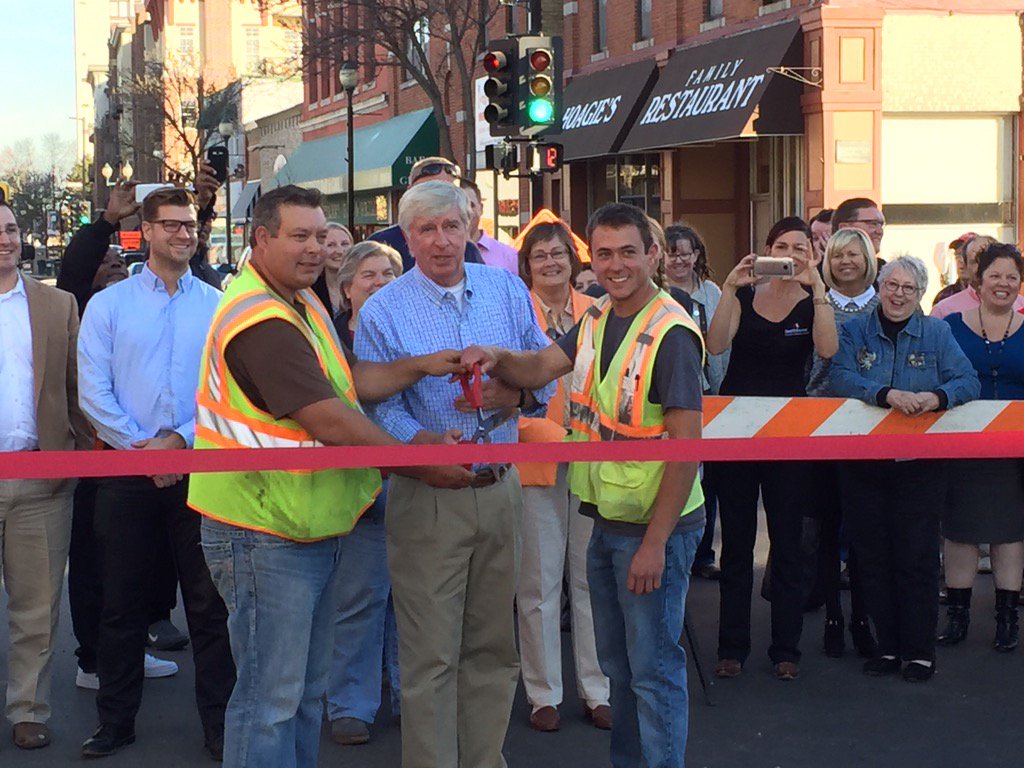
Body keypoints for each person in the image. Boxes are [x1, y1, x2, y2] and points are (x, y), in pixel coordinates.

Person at [188, 185, 473, 768]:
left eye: (321, 236)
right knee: (270, 702)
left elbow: (345, 386)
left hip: (300, 524)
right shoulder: (259, 317)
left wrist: (418, 366)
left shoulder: (298, 300)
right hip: (262, 530)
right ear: (260, 238)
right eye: (300, 236)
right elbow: (330, 420)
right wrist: (420, 463)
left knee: (299, 697)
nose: (316, 248)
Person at [461, 201, 706, 768]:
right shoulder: (596, 319)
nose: (615, 264)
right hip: (605, 515)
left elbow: (687, 450)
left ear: (654, 256)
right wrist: (495, 357)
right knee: (622, 670)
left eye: (627, 252)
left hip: (651, 528)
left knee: (652, 673)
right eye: (604, 253)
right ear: (589, 258)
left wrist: (655, 543)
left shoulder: (670, 333)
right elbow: (538, 368)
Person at [355, 181, 553, 768]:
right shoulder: (383, 308)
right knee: (431, 656)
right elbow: (372, 401)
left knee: (494, 648)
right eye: (426, 230)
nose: (441, 241)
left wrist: (514, 394)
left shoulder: (506, 289)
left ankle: (485, 760)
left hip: (500, 488)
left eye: (451, 226)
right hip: (427, 494)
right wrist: (418, 442)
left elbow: (541, 369)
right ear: (406, 237)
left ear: (471, 227)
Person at [76, 187, 236, 759]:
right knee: (119, 605)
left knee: (208, 607)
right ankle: (115, 722)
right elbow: (92, 391)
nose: (184, 234)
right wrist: (144, 449)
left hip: (196, 468)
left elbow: (222, 390)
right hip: (127, 473)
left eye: (190, 225)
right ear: (145, 231)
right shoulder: (109, 306)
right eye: (170, 225)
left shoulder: (217, 304)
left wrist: (178, 442)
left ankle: (219, 726)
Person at [829, 254, 980, 682]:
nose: (898, 295)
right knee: (872, 557)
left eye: (908, 289)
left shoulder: (937, 332)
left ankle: (919, 652)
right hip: (862, 464)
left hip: (920, 466)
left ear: (920, 295)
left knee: (916, 558)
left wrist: (937, 398)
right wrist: (883, 393)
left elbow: (966, 380)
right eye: (892, 286)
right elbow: (839, 376)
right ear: (880, 287)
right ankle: (888, 647)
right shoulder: (855, 330)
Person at [706, 216, 838, 681]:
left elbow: (826, 350)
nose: (791, 254)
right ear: (765, 249)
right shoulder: (743, 294)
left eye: (800, 247)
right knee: (737, 545)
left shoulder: (812, 301)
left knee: (787, 545)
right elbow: (716, 343)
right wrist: (728, 287)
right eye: (782, 246)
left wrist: (817, 287)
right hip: (738, 429)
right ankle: (731, 647)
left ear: (811, 253)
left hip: (789, 432)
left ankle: (786, 648)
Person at [0, 202, 92, 750]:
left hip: (41, 474)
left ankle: (28, 707)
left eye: (10, 229)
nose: (4, 240)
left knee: (37, 605)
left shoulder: (57, 304)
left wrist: (75, 451)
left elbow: (77, 387)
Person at [512, 218, 610, 733]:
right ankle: (543, 693)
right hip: (536, 465)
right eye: (540, 256)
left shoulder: (596, 313)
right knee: (539, 585)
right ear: (526, 265)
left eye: (558, 255)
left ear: (574, 262)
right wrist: (550, 438)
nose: (551, 263)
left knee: (591, 581)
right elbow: (507, 391)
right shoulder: (512, 312)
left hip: (593, 464)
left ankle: (598, 690)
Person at [325, 239, 404, 746]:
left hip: (415, 484)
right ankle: (351, 703)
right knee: (359, 599)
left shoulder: (410, 336)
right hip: (356, 488)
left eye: (388, 275)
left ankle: (409, 693)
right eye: (368, 275)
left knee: (413, 602)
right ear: (347, 288)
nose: (379, 283)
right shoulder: (329, 341)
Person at [939, 243, 1024, 652]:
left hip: (1014, 452)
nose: (1003, 284)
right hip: (961, 447)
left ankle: (1007, 619)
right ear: (978, 281)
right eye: (995, 276)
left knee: (1009, 533)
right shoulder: (949, 327)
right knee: (961, 532)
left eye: (1012, 277)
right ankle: (957, 616)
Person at [805, 229, 880, 658]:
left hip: (872, 428)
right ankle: (833, 615)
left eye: (853, 254)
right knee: (827, 528)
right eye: (836, 255)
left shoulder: (885, 301)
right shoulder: (817, 303)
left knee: (865, 531)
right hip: (821, 426)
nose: (845, 262)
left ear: (867, 258)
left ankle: (862, 618)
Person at [663, 224, 728, 580]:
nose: (681, 260)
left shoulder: (712, 292)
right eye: (673, 253)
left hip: (709, 389)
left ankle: (703, 553)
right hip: (672, 391)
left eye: (687, 252)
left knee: (709, 480)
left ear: (698, 256)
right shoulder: (656, 293)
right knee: (678, 468)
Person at [368, 156, 483, 271]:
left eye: (448, 191)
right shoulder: (381, 244)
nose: (439, 199)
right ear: (410, 191)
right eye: (430, 191)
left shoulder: (467, 249)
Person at [931, 235, 1024, 318]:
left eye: (987, 262)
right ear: (965, 265)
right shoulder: (944, 311)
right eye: (974, 261)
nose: (981, 268)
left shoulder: (1021, 306)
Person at [460, 177, 519, 273]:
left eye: (471, 205)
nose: (465, 211)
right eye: (458, 205)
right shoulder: (436, 256)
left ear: (481, 208)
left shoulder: (509, 257)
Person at [311, 221, 354, 317]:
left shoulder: (363, 285)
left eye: (344, 244)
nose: (339, 251)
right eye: (331, 245)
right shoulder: (310, 289)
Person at [932, 232, 979, 306]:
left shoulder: (990, 296)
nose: (961, 260)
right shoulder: (945, 296)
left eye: (966, 255)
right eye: (957, 255)